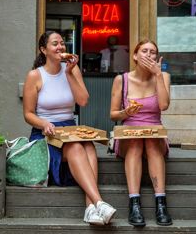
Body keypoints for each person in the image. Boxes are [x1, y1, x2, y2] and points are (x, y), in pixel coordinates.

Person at [23, 30, 116, 226]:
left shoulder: (72, 70)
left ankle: (90, 208)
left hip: (69, 129)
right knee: (76, 148)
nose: (61, 47)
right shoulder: (35, 75)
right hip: (45, 132)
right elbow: (28, 114)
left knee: (89, 146)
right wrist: (44, 123)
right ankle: (98, 202)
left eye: (63, 43)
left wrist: (69, 73)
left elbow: (83, 101)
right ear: (43, 49)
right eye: (55, 43)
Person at [110, 39, 172, 227]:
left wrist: (158, 75)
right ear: (135, 56)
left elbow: (164, 105)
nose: (149, 55)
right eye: (144, 51)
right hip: (129, 134)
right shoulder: (122, 80)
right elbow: (113, 115)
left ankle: (161, 203)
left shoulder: (164, 76)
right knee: (137, 141)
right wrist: (125, 113)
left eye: (153, 52)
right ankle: (134, 203)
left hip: (155, 131)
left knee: (151, 141)